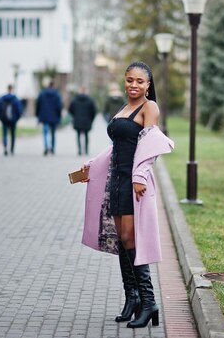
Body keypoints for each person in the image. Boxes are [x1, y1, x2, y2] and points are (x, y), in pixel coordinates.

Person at [79, 61, 174, 329]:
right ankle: (131, 298)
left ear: (148, 85)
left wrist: (140, 177)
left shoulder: (149, 108)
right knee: (123, 240)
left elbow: (149, 146)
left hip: (134, 183)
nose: (134, 85)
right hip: (116, 181)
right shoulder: (124, 108)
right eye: (130, 80)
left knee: (132, 240)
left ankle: (149, 301)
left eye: (140, 82)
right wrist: (92, 165)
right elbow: (117, 147)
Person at [68, 87, 97, 156]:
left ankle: (80, 150)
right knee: (86, 135)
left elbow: (70, 110)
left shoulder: (74, 100)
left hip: (77, 120)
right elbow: (94, 111)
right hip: (87, 121)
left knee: (78, 135)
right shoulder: (90, 100)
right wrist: (91, 119)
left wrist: (74, 116)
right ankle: (86, 150)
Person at [36, 81, 62, 156]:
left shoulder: (42, 94)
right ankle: (52, 148)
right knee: (53, 133)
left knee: (45, 133)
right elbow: (59, 106)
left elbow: (38, 105)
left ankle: (46, 146)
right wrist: (59, 116)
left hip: (44, 116)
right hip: (54, 117)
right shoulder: (57, 94)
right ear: (53, 86)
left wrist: (38, 115)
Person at [0, 84, 23, 156]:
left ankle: (5, 148)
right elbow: (19, 111)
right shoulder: (16, 99)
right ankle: (12, 149)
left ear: (7, 89)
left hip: (4, 119)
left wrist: (1, 118)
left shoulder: (2, 99)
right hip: (13, 120)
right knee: (13, 135)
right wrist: (16, 119)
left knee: (4, 134)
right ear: (12, 89)